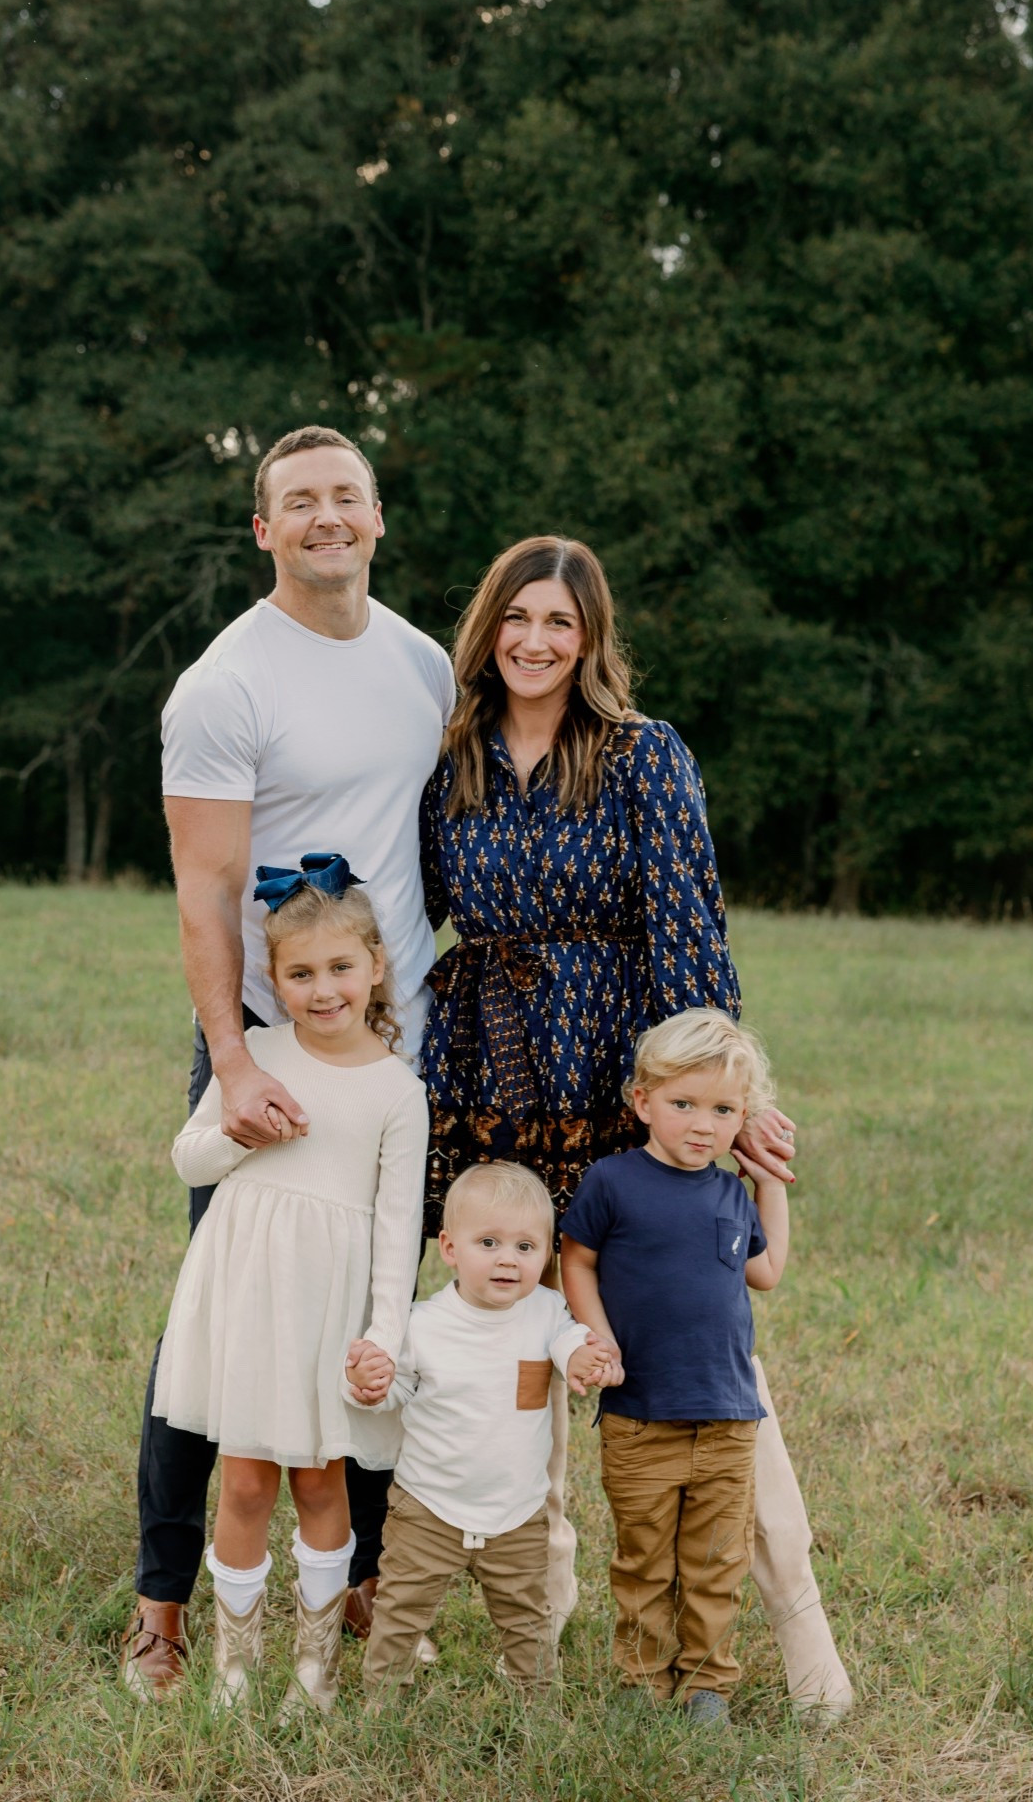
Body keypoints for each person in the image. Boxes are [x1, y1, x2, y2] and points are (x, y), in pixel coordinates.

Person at [417, 535, 853, 1717]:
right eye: (517, 617)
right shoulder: (450, 759)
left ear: (590, 637)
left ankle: (800, 1630)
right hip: (493, 1079)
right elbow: (419, 914)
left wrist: (725, 1103)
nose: (535, 641)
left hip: (624, 1084)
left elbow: (689, 929)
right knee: (535, 1344)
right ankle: (546, 1629)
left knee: (702, 1354)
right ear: (488, 628)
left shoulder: (642, 754)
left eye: (559, 622)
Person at [122, 425, 455, 1702]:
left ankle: (353, 1576)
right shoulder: (225, 683)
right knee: (217, 1326)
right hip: (267, 1049)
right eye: (298, 501)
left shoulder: (421, 661)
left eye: (345, 496)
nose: (326, 516)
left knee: (368, 1309)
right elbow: (205, 890)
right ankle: (161, 1607)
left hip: (391, 1052)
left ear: (378, 515)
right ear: (263, 529)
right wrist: (230, 1060)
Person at [152, 859, 428, 1713]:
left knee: (317, 1481)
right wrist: (242, 1132)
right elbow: (188, 1159)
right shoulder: (256, 1056)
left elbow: (398, 1229)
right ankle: (234, 1672)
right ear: (274, 981)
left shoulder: (398, 1091)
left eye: (340, 967)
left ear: (375, 966)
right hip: (247, 1293)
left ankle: (315, 1674)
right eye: (300, 973)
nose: (322, 989)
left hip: (328, 1311)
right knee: (242, 1481)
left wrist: (384, 1336)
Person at [561, 1009, 790, 1727]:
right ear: (643, 1102)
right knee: (643, 1558)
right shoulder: (612, 1182)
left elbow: (767, 1273)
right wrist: (598, 1338)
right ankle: (641, 1676)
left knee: (717, 1561)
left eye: (723, 1111)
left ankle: (706, 1684)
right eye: (683, 1104)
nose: (702, 1125)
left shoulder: (729, 1195)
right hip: (639, 1415)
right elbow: (576, 1261)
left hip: (726, 1416)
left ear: (742, 1118)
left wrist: (770, 1184)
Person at [351, 1162, 620, 1691]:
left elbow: (569, 1342)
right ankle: (380, 1705)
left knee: (528, 1622)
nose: (508, 1259)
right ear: (450, 1248)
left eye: (526, 1247)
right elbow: (395, 1390)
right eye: (489, 1243)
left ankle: (536, 1709)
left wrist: (584, 1358)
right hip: (428, 1507)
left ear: (547, 1255)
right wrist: (369, 1384)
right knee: (400, 1611)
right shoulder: (423, 1325)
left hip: (517, 1512)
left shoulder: (547, 1312)